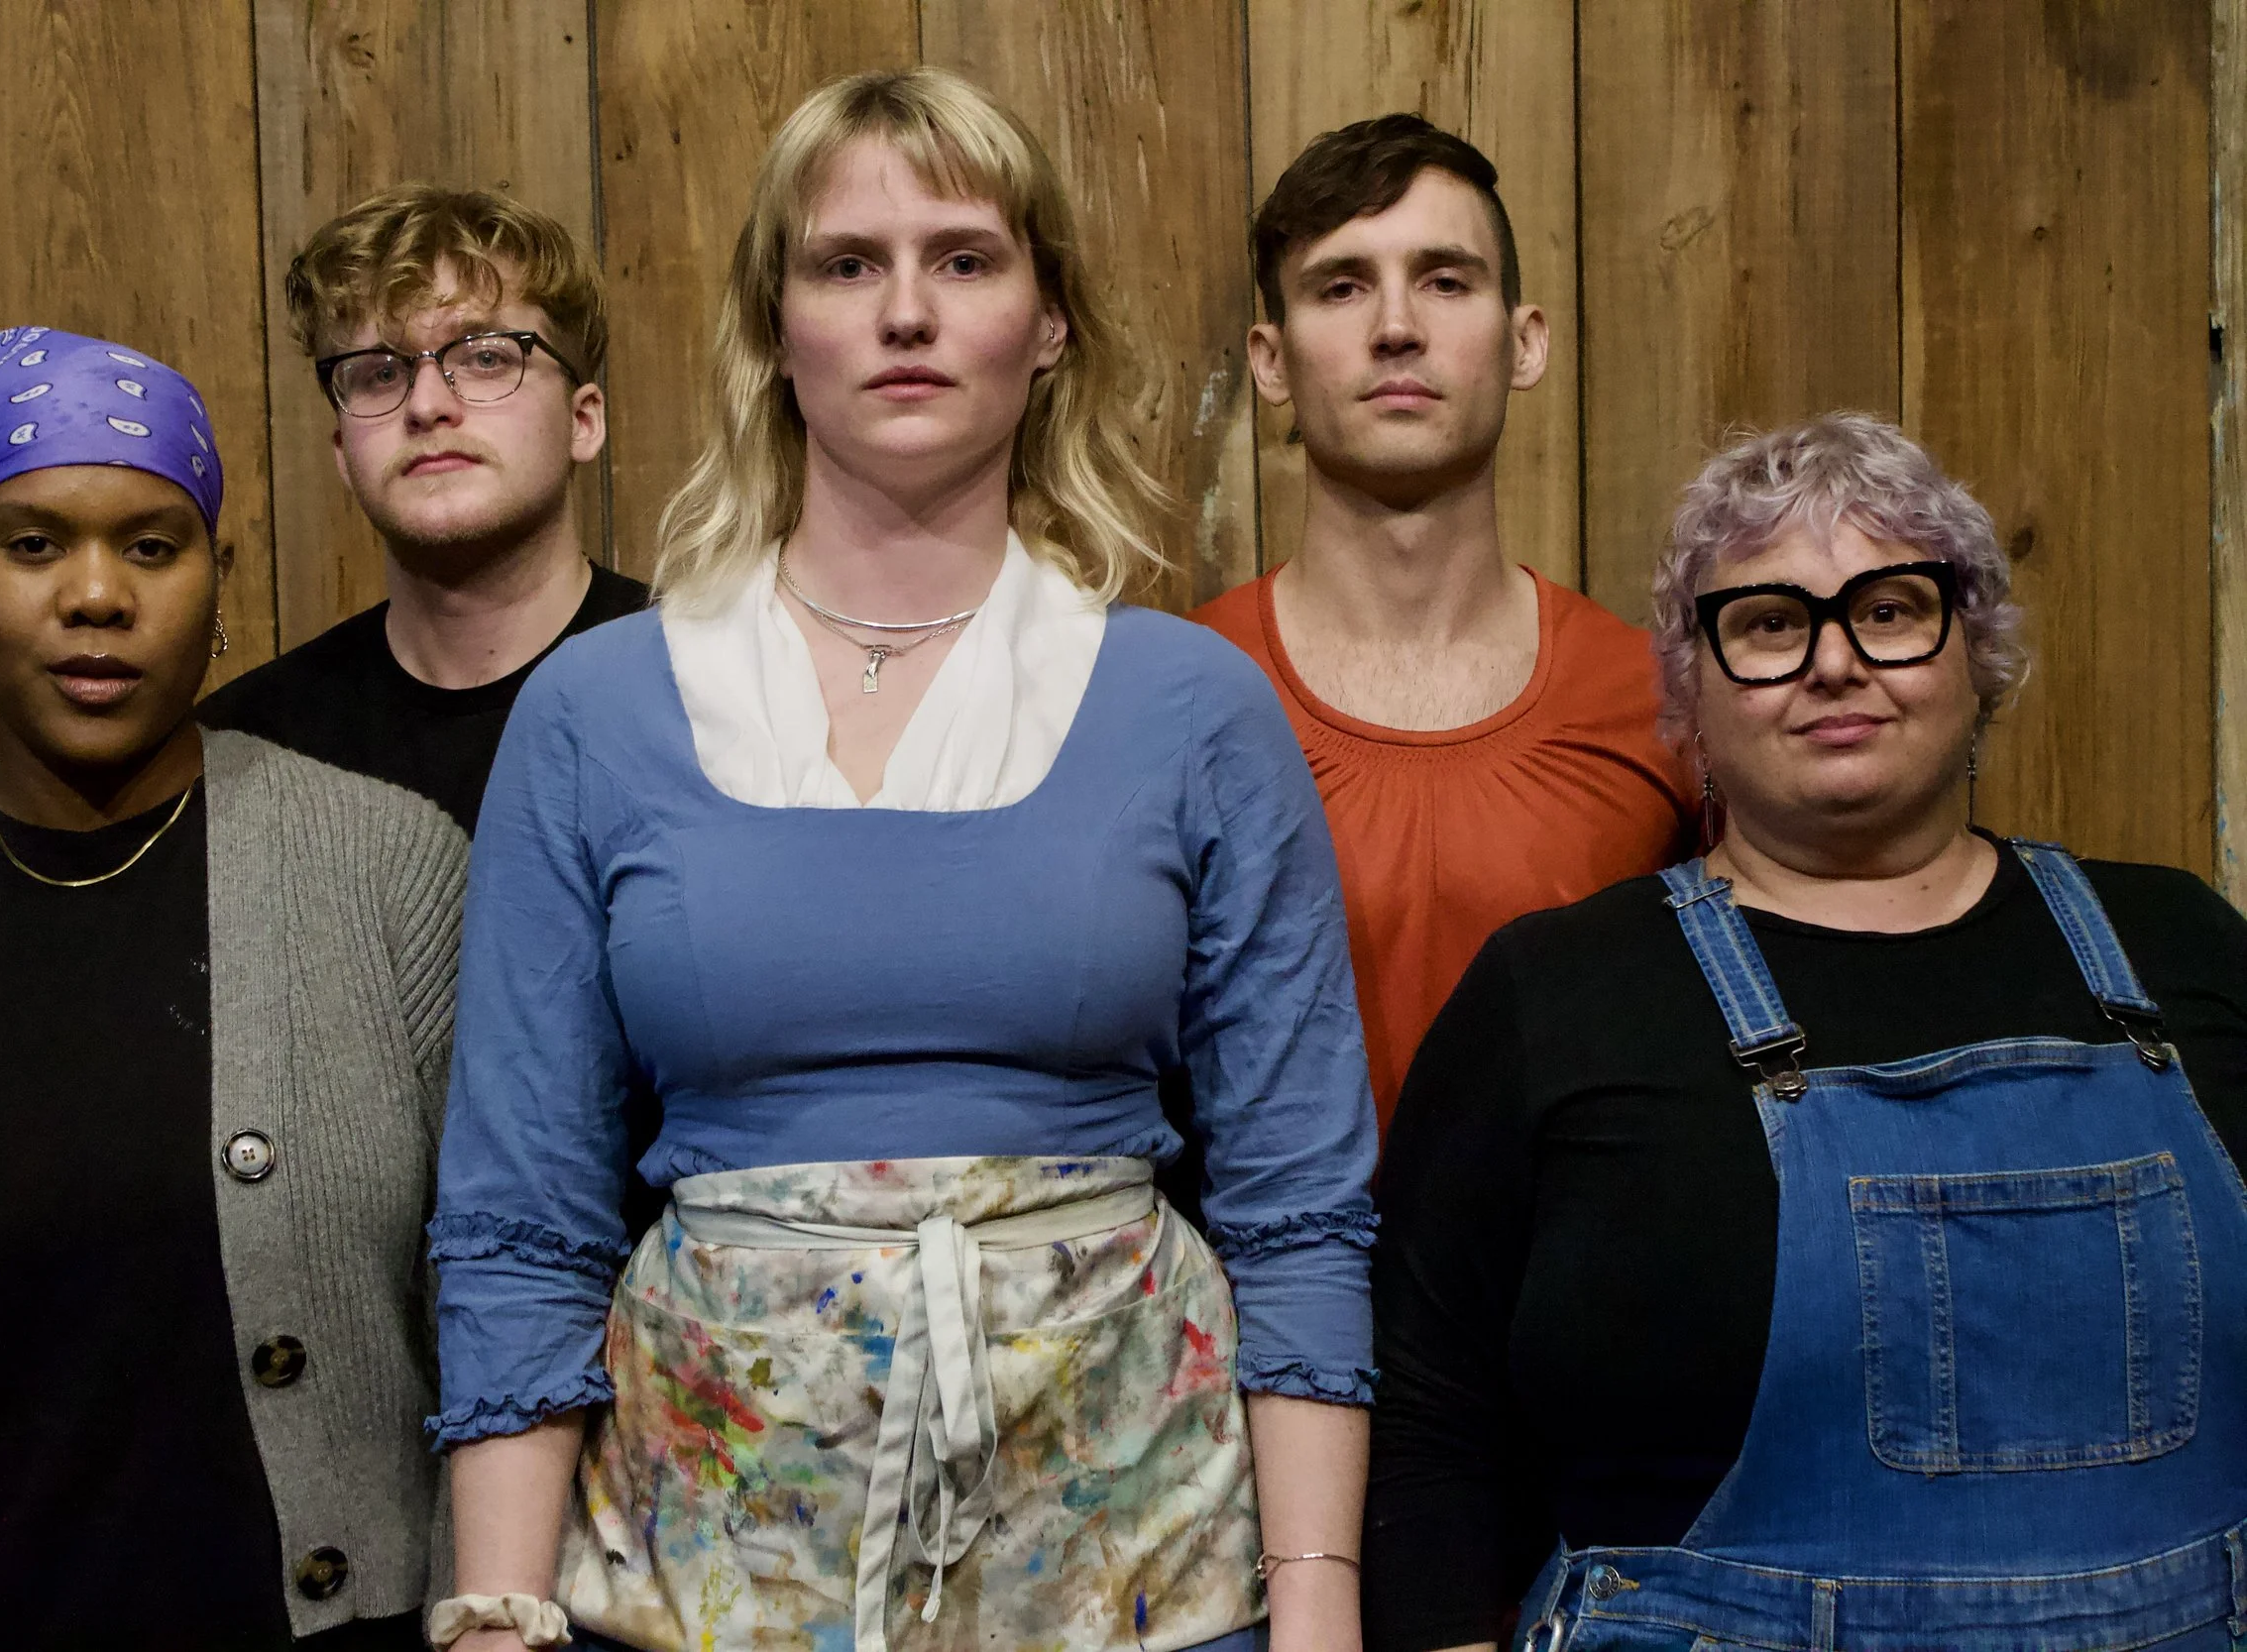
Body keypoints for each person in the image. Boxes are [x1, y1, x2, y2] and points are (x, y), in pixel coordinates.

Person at [423, 68, 1376, 1652]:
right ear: (774, 323)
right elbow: (522, 1212)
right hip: (701, 1579)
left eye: (965, 258)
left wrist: (1319, 1603)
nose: (907, 312)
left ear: (1048, 323)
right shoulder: (599, 710)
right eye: (848, 263)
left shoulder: (1191, 705)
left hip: (1143, 1571)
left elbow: (1298, 1201)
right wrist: (498, 1613)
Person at [1364, 413, 2247, 1651]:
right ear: (1692, 688)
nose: (1834, 661)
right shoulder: (1557, 993)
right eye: (1771, 623)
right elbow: (1424, 1430)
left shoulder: (2182, 947)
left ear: (1977, 650)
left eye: (1888, 609)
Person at [0, 328, 469, 1652]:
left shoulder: (390, 874)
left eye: (151, 545)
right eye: (33, 543)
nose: (96, 594)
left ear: (219, 578)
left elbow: (496, 1307)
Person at [1192, 116, 1692, 1134]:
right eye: (1341, 287)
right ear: (1270, 360)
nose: (1395, 328)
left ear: (1524, 342)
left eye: (1446, 281)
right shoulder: (1175, 693)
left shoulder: (1662, 701)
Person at [196, 184, 647, 835]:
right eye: (381, 372)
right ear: (344, 453)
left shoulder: (717, 683)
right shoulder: (246, 751)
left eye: (486, 357)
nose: (426, 405)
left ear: (582, 421)